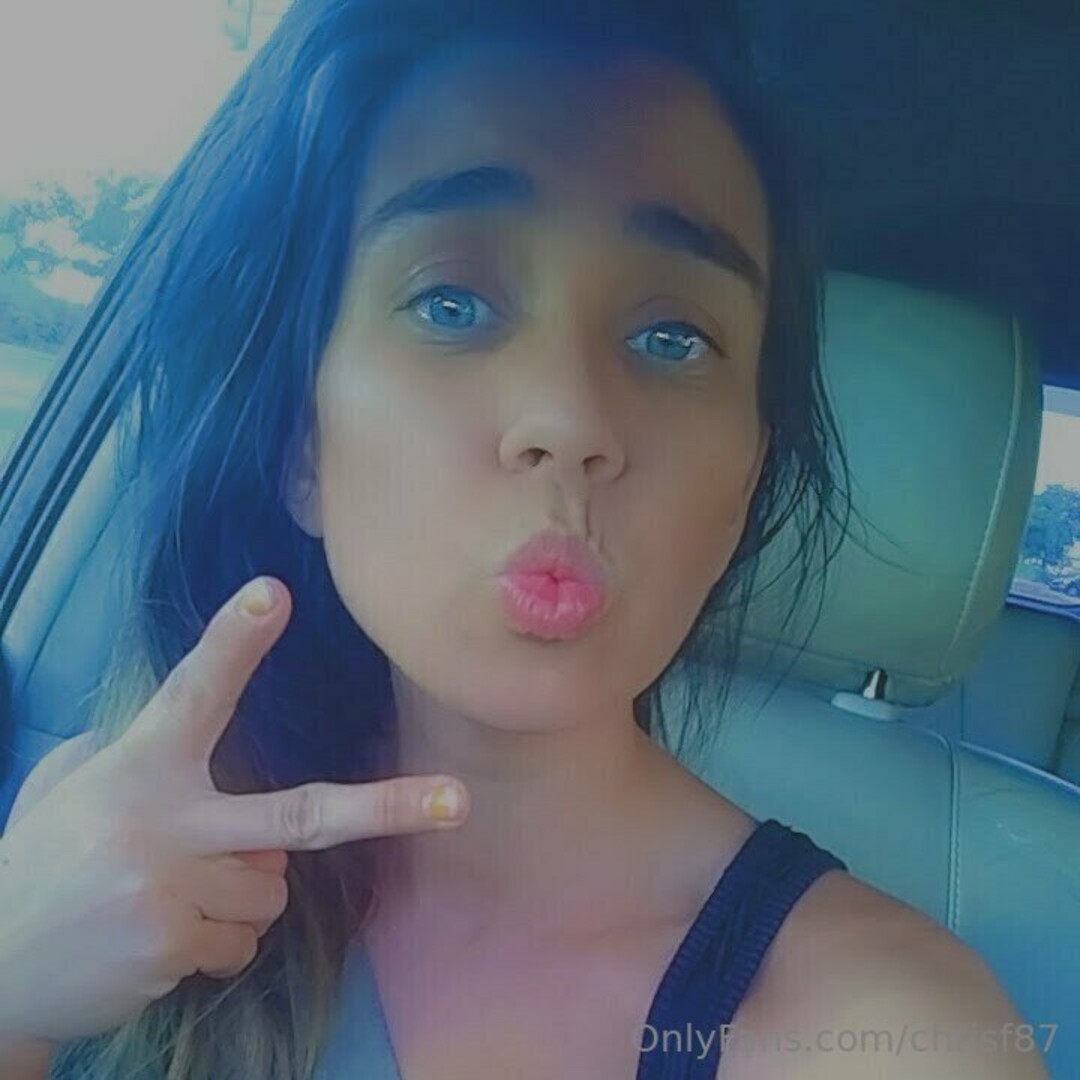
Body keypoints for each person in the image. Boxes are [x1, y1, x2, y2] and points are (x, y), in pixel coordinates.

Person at [0, 1, 1049, 1077]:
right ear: (302, 445)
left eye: (672, 337)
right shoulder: (101, 856)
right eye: (451, 303)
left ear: (742, 485)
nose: (569, 419)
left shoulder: (898, 1036)